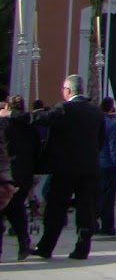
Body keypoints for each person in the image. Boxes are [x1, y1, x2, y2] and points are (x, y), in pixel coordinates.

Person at [25, 75, 105, 260]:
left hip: (65, 168)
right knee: (86, 210)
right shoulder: (95, 111)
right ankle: (82, 248)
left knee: (56, 209)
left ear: (68, 91)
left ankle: (46, 246)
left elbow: (42, 118)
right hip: (89, 167)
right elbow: (99, 140)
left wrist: (14, 115)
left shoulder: (64, 108)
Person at [0, 95, 39, 260]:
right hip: (24, 175)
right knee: (17, 209)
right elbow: (37, 149)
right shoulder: (30, 127)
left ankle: (22, 242)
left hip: (8, 174)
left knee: (9, 210)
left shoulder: (5, 125)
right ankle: (24, 241)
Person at [95, 96, 116, 236]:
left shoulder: (95, 121)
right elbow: (113, 147)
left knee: (96, 195)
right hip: (108, 165)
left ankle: (93, 222)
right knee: (108, 198)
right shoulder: (111, 124)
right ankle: (107, 225)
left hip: (96, 162)